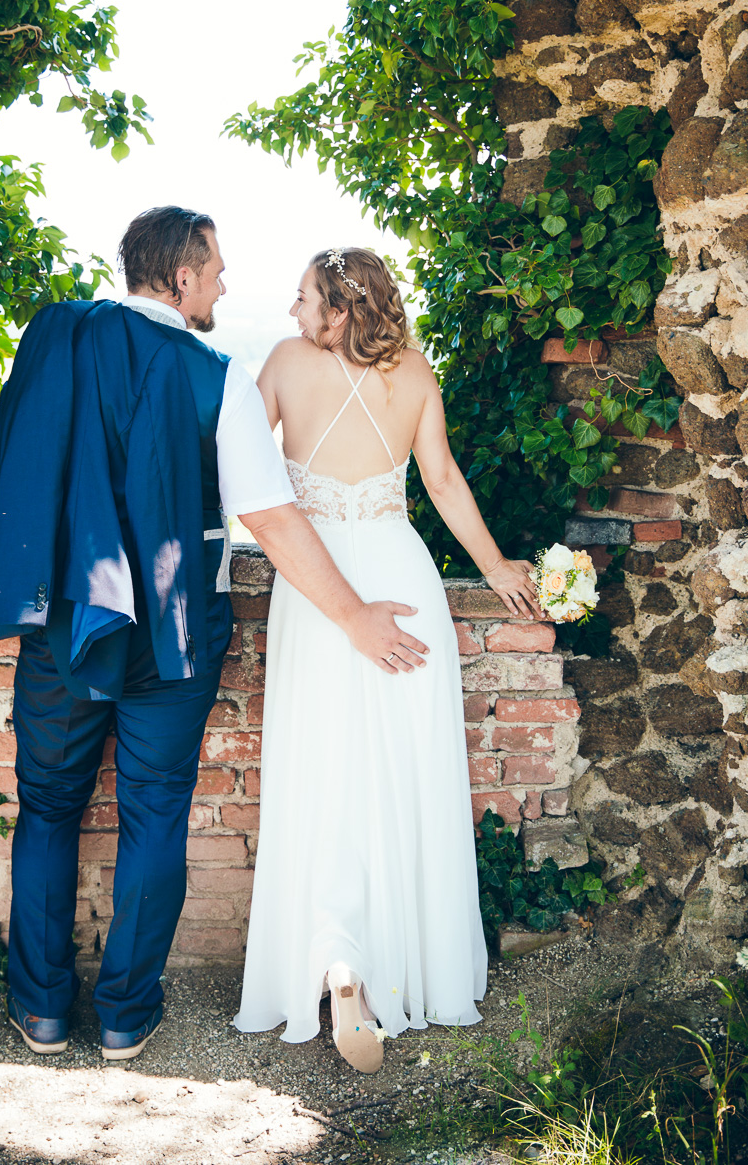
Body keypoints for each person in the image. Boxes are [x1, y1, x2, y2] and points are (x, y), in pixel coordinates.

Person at [0, 209, 428, 1062]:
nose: (223, 285)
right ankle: (127, 1016)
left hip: (66, 622)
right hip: (171, 638)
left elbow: (10, 465)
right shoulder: (213, 374)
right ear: (180, 279)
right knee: (152, 815)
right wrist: (356, 614)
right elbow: (273, 521)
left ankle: (41, 1011)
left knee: (50, 807)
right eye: (214, 270)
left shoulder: (58, 338)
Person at [233, 247, 540, 1073]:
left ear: (337, 310)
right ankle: (410, 968)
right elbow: (440, 481)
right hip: (402, 578)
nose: (292, 310)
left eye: (303, 298)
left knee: (324, 767)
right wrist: (496, 568)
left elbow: (236, 466)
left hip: (317, 586)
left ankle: (338, 962)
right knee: (405, 773)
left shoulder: (286, 365)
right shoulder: (415, 371)